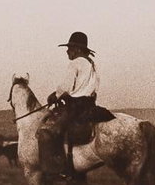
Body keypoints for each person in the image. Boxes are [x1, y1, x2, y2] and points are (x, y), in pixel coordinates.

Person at [38, 30, 113, 174]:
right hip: (90, 105)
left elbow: (65, 87)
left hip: (75, 106)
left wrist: (55, 95)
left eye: (70, 48)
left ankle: (54, 169)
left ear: (77, 49)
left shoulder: (75, 63)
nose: (67, 51)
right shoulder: (92, 64)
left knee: (47, 133)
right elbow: (91, 87)